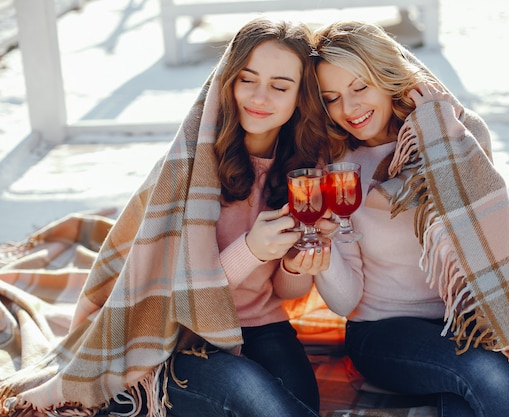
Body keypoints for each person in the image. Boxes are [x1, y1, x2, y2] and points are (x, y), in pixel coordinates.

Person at [0, 18, 329, 417]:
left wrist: (295, 265)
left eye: (280, 86)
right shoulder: (189, 164)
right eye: (247, 79)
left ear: (299, 97)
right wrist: (252, 251)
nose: (260, 97)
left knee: (302, 405)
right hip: (180, 334)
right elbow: (171, 295)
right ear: (228, 81)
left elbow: (286, 293)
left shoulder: (303, 168)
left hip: (260, 324)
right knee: (261, 401)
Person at [311, 21, 509, 417]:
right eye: (331, 98)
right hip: (382, 332)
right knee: (488, 373)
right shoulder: (337, 169)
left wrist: (437, 121)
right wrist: (327, 248)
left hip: (466, 321)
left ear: (387, 76)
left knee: (464, 399)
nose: (348, 109)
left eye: (359, 87)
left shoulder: (454, 139)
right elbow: (345, 301)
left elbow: (488, 233)